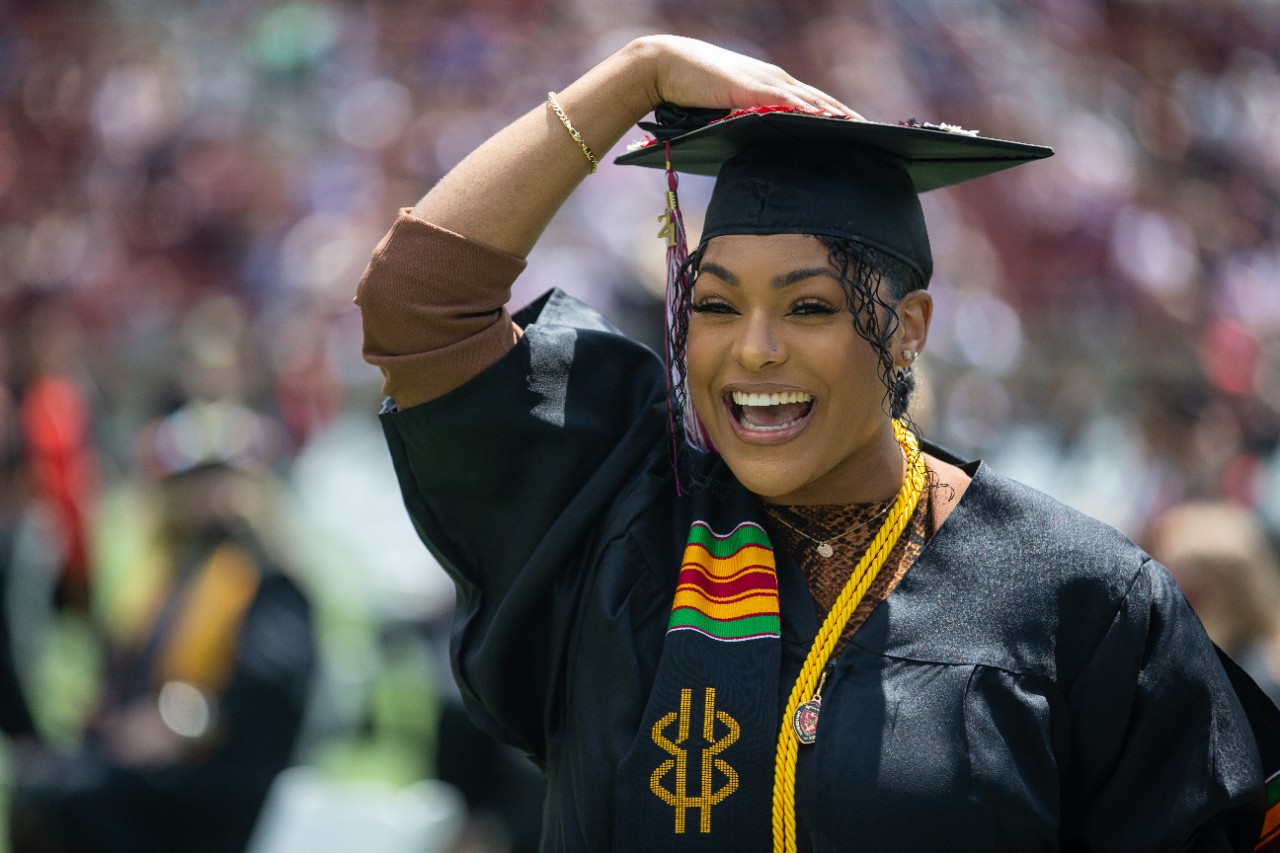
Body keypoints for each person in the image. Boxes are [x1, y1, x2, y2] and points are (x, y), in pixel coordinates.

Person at [356, 35, 1276, 852]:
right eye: (714, 305)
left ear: (908, 327)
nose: (754, 349)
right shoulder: (620, 518)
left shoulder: (1082, 600)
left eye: (809, 306)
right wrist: (632, 77)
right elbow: (417, 306)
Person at [8, 397, 316, 853]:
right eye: (193, 480)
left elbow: (266, 701)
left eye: (222, 477)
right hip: (151, 771)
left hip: (219, 783)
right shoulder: (168, 576)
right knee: (39, 783)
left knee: (75, 798)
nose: (209, 495)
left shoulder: (268, 582)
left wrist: (184, 723)